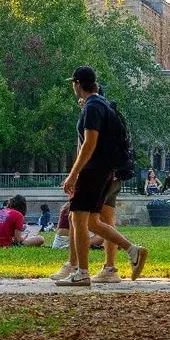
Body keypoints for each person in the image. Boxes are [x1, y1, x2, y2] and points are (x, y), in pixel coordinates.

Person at [51, 65, 148, 287]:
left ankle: (82, 272)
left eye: (73, 84)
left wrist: (73, 174)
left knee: (77, 217)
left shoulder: (92, 107)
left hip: (93, 170)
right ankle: (133, 250)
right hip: (105, 170)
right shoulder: (102, 104)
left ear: (77, 84)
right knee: (93, 220)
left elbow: (89, 144)